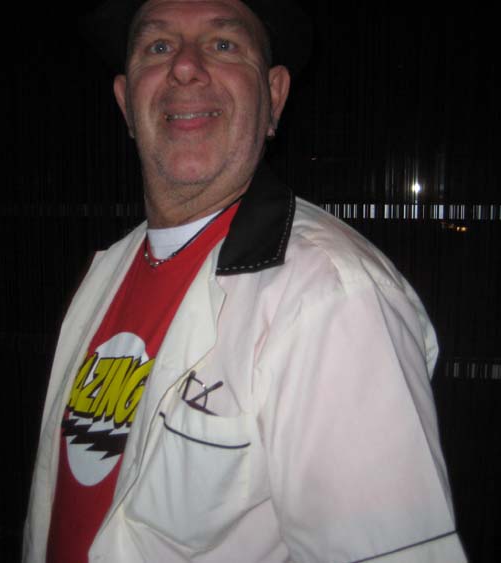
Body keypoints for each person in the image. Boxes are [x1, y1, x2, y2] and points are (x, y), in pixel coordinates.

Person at [24, 1, 467, 561]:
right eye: (158, 46)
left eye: (223, 44)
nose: (185, 66)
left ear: (274, 97)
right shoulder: (108, 270)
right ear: (126, 103)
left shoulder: (332, 299)